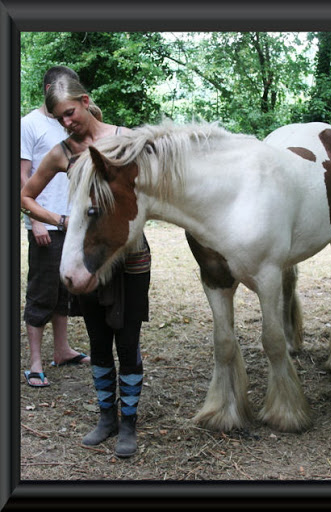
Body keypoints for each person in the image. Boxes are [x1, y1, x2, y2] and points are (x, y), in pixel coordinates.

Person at [21, 76, 151, 458]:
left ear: (85, 101)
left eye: (70, 113)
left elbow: (152, 192)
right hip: (86, 259)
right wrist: (60, 221)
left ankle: (129, 423)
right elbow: (26, 195)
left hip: (130, 258)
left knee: (127, 342)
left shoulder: (126, 140)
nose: (66, 123)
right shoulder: (62, 153)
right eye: (59, 118)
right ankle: (106, 418)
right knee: (97, 341)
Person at [21, 66, 90, 388]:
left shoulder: (71, 124)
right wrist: (35, 221)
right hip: (46, 222)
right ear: (50, 87)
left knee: (65, 289)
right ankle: (35, 362)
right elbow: (21, 177)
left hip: (74, 222)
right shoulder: (29, 124)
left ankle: (61, 350)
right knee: (41, 291)